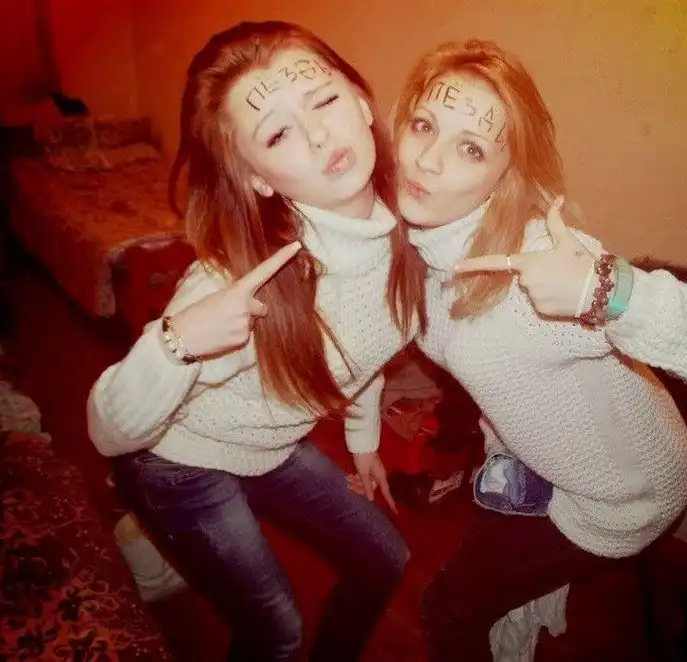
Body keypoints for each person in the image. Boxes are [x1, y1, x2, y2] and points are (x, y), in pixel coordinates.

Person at [392, 38, 687, 661]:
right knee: (478, 561)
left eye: (471, 148)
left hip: (623, 494)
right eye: (424, 125)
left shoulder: (535, 271)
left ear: (506, 177)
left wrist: (608, 290)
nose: (427, 160)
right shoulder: (419, 249)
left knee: (447, 608)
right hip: (535, 457)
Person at [87, 20, 427, 662]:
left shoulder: (409, 236)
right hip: (175, 459)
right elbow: (106, 430)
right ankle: (153, 530)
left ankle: (158, 538)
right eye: (277, 134)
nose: (319, 134)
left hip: (266, 441)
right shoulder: (237, 281)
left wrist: (364, 444)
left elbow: (370, 344)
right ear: (257, 179)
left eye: (323, 100)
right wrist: (177, 342)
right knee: (276, 633)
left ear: (361, 101)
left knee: (386, 559)